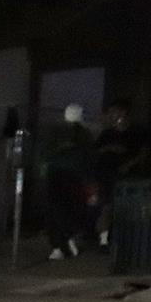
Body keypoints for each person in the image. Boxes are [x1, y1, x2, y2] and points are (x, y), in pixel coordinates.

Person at [43, 104, 95, 260]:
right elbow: (90, 157)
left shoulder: (56, 132)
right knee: (68, 209)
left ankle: (58, 245)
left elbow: (45, 153)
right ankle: (67, 236)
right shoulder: (84, 134)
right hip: (73, 176)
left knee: (55, 210)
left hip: (56, 174)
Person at [95, 100, 148, 252]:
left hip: (129, 175)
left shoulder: (137, 132)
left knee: (128, 208)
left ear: (123, 112)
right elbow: (96, 150)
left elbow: (143, 152)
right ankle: (104, 241)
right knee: (106, 205)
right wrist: (108, 148)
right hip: (107, 173)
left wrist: (129, 165)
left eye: (114, 112)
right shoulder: (107, 133)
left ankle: (127, 241)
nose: (111, 116)